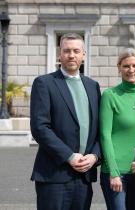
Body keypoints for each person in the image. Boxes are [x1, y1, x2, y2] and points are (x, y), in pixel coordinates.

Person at [30, 33, 101, 210]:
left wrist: (95, 156)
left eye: (76, 51)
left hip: (84, 176)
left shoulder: (93, 86)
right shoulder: (44, 83)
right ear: (59, 54)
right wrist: (69, 156)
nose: (71, 55)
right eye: (66, 50)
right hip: (55, 175)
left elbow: (99, 128)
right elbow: (40, 127)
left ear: (84, 54)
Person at [99, 48, 135, 210]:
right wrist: (114, 172)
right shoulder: (110, 95)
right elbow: (105, 135)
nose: (131, 70)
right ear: (119, 68)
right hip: (116, 171)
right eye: (126, 66)